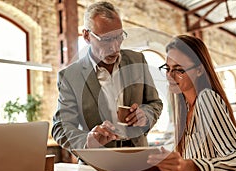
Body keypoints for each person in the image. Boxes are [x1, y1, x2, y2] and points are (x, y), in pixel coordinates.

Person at [52, 1, 162, 151]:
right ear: (86, 36)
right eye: (106, 39)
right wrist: (87, 141)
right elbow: (60, 127)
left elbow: (154, 103)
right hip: (96, 164)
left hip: (137, 156)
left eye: (119, 37)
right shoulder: (70, 76)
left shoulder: (138, 61)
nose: (115, 47)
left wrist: (146, 115)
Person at [147, 35, 236, 171]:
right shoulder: (183, 107)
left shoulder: (207, 99)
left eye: (179, 70)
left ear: (199, 70)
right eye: (167, 68)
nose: (170, 76)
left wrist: (191, 167)